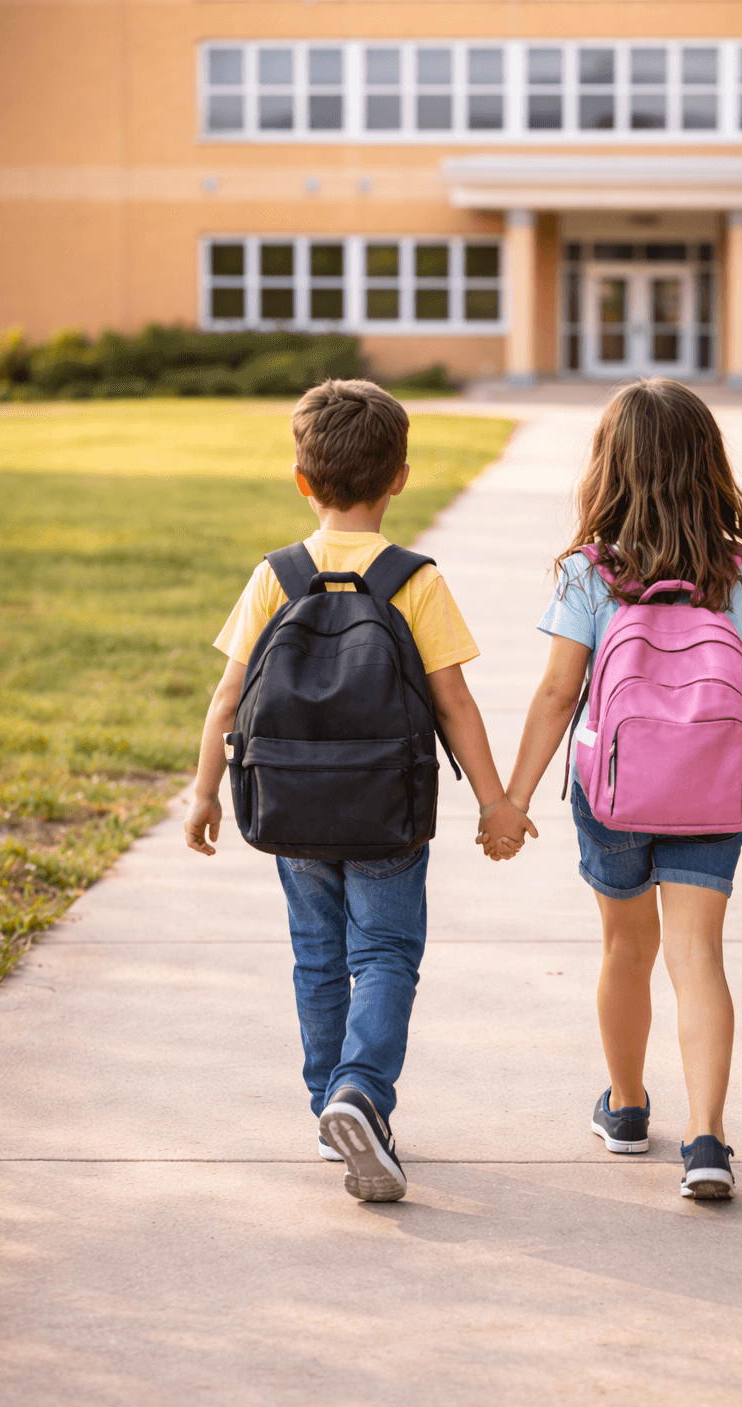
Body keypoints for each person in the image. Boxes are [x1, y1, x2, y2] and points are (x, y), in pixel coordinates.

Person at [184, 379, 533, 1202]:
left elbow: (228, 698)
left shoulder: (275, 576)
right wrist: (496, 803)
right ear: (400, 478)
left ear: (302, 481)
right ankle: (361, 1094)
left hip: (292, 809)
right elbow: (454, 704)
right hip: (387, 812)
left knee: (318, 957)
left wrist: (204, 793)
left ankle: (328, 1112)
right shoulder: (415, 580)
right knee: (384, 954)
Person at [490, 378, 742, 1200]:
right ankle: (707, 1140)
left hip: (615, 796)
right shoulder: (740, 573)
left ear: (610, 467)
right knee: (698, 957)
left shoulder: (589, 574)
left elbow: (558, 694)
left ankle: (628, 1108)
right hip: (711, 792)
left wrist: (513, 800)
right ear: (709, 467)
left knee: (625, 950)